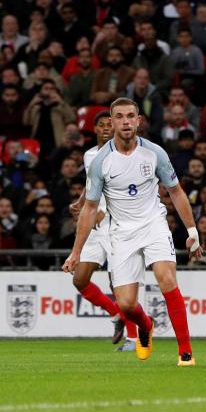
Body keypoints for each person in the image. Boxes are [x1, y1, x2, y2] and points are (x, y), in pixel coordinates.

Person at [63, 98, 202, 366]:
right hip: (121, 233)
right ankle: (145, 325)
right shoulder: (101, 161)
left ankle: (185, 351)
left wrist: (192, 230)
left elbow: (175, 191)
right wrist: (76, 252)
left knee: (167, 279)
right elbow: (89, 209)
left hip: (153, 225)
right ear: (112, 122)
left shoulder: (155, 153)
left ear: (139, 120)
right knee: (126, 305)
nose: (125, 121)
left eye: (130, 116)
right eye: (119, 117)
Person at [68, 111, 137, 351]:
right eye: (102, 125)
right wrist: (81, 201)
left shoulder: (123, 153)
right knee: (80, 279)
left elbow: (123, 188)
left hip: (116, 224)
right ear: (95, 129)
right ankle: (116, 313)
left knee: (117, 282)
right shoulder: (89, 155)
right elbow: (93, 184)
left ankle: (133, 338)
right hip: (94, 227)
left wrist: (104, 211)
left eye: (111, 124)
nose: (107, 128)